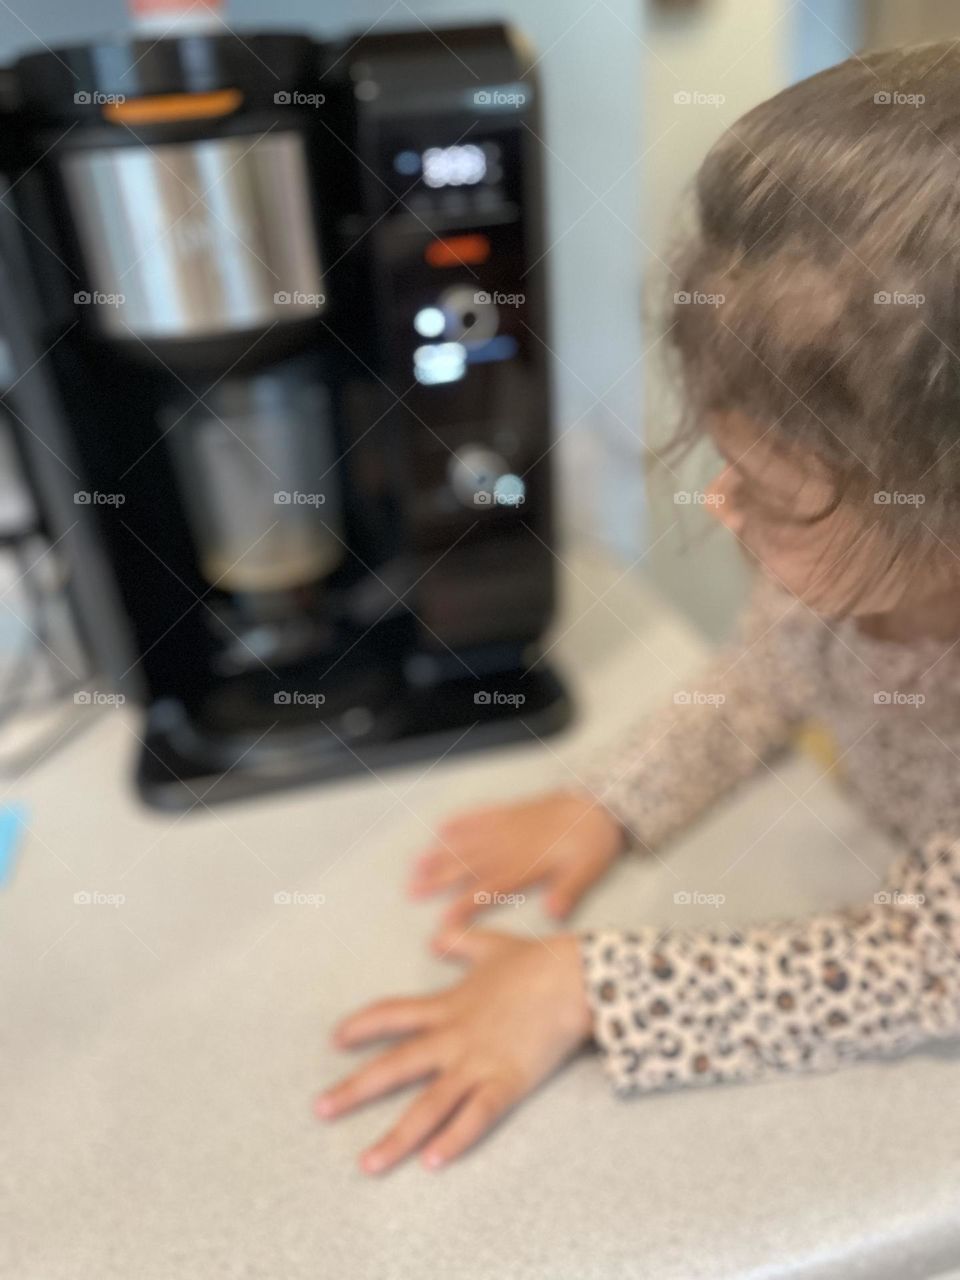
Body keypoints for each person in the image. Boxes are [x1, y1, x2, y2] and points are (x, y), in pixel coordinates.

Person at [316, 38, 960, 1173]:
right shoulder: (846, 580)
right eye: (729, 464)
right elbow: (763, 676)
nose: (722, 504)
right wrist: (611, 804)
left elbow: (927, 963)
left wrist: (588, 984)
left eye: (772, 496)